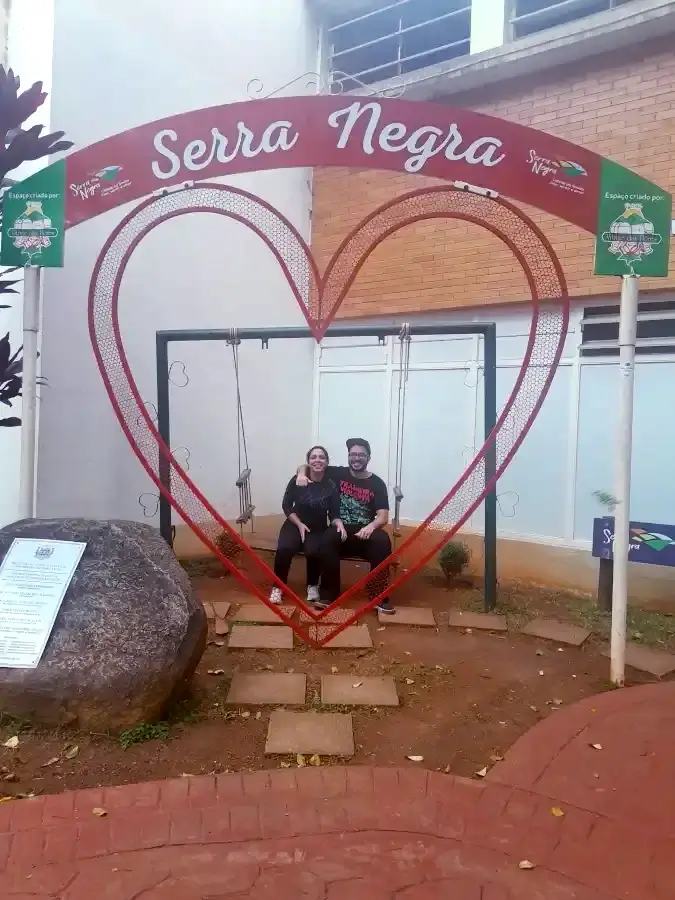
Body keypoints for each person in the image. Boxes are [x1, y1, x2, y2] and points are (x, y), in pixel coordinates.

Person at [297, 438, 395, 614]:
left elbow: (383, 516)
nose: (357, 458)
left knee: (383, 541)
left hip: (365, 532)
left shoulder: (377, 483)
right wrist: (301, 474)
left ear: (368, 458)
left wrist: (371, 527)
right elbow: (310, 466)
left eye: (361, 455)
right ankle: (328, 595)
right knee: (327, 539)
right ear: (349, 456)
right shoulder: (338, 473)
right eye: (353, 454)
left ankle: (378, 595)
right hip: (340, 529)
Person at [269, 445, 341, 606]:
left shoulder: (331, 484)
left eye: (321, 457)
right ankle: (278, 587)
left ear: (327, 462)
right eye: (313, 457)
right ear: (308, 461)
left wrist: (338, 522)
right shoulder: (298, 479)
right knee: (285, 548)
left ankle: (312, 585)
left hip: (317, 526)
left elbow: (334, 512)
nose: (317, 460)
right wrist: (299, 524)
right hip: (295, 522)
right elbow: (286, 505)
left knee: (313, 551)